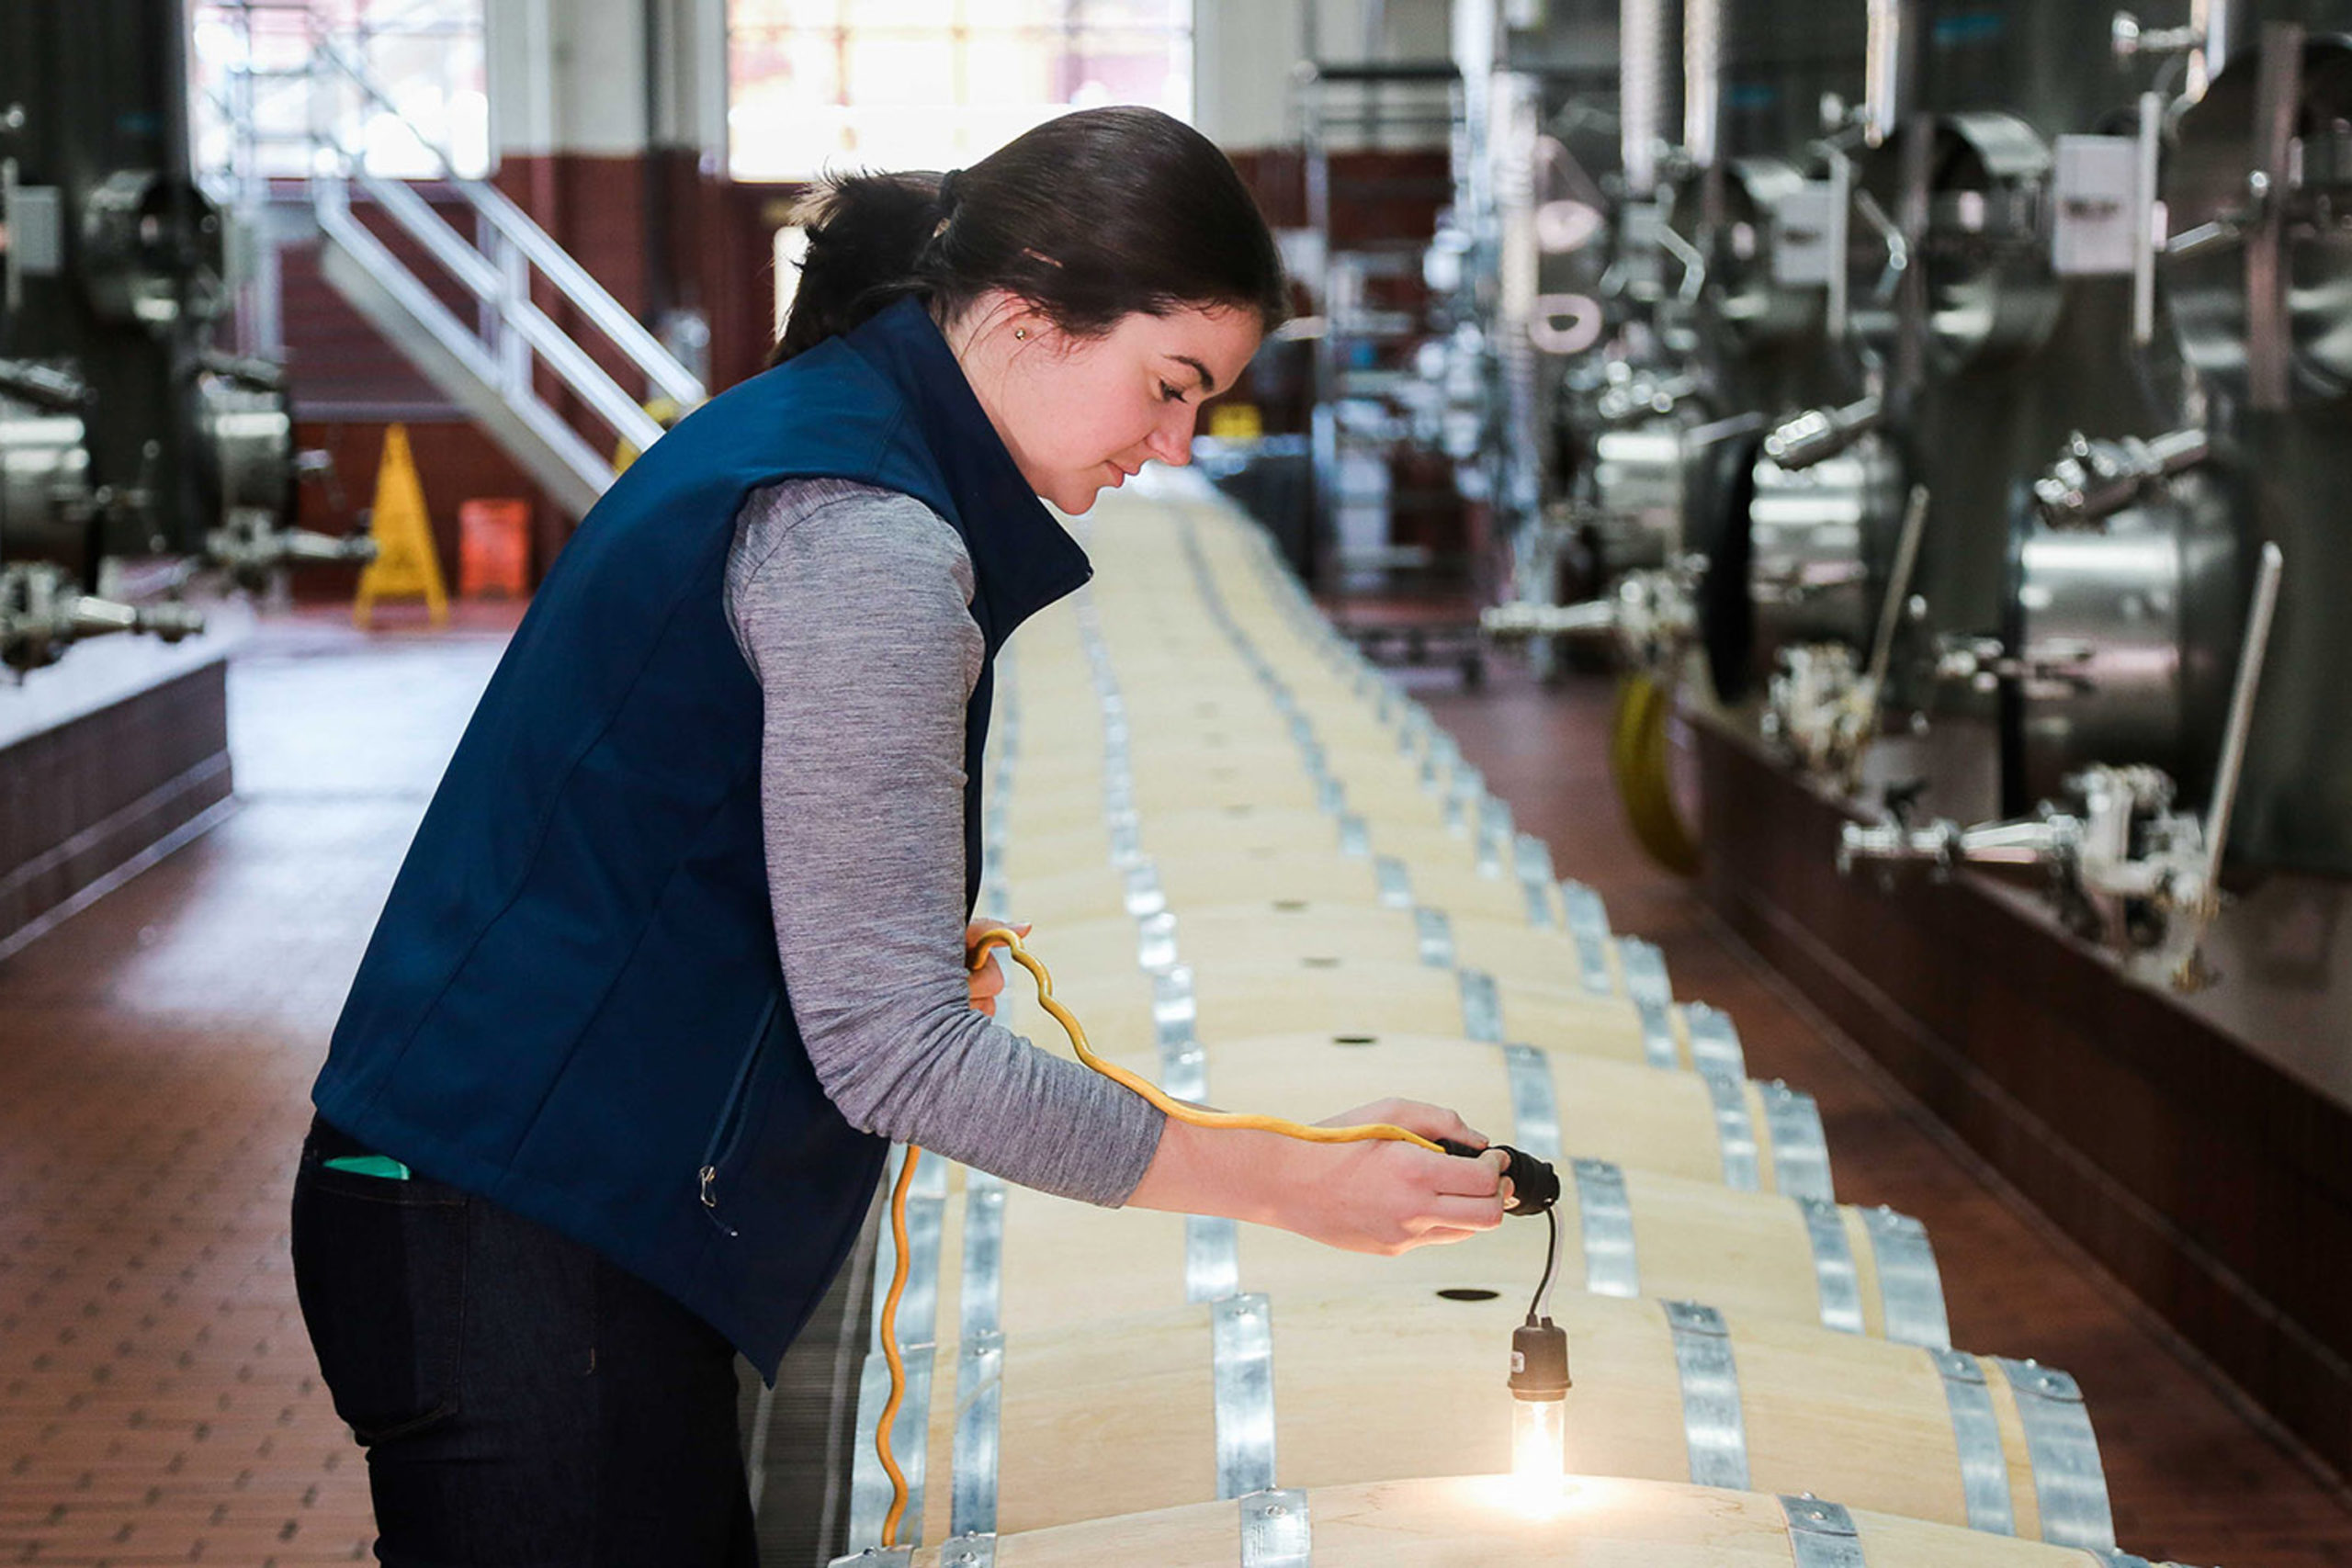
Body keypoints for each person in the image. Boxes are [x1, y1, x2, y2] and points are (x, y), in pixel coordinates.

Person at [288, 105, 1509, 1566]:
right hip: (517, 1234)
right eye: (1168, 386)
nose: (1175, 447)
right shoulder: (868, 536)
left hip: (527, 1204)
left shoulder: (836, 441)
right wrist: (1295, 1187)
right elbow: (893, 1048)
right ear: (1030, 304)